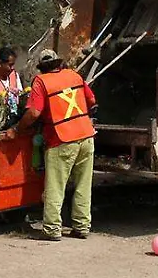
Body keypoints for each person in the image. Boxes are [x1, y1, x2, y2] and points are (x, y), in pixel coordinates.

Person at [7, 49, 97, 241]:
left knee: (55, 186)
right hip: (86, 135)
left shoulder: (41, 81)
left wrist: (17, 128)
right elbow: (91, 100)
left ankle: (52, 229)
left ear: (42, 67)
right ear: (59, 63)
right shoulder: (74, 75)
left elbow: (34, 113)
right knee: (83, 185)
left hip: (61, 139)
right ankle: (82, 227)